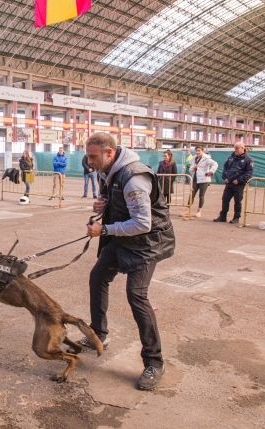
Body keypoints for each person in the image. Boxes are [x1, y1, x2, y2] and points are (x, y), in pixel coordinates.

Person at [81, 132, 175, 391]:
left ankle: (154, 362)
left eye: (93, 156)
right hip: (123, 240)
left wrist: (105, 230)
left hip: (145, 244)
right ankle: (98, 334)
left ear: (110, 152)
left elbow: (142, 223)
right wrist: (103, 205)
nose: (89, 162)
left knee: (136, 295)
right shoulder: (108, 171)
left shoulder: (134, 178)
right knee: (97, 277)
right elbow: (119, 205)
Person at [213, 142, 254, 224]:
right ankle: (222, 217)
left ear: (243, 148)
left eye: (237, 148)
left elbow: (249, 173)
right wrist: (225, 178)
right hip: (229, 183)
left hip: (239, 184)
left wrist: (239, 180)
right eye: (235, 148)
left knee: (237, 201)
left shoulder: (248, 159)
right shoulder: (231, 157)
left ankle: (236, 218)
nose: (235, 150)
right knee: (225, 199)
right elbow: (225, 168)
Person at [186, 146, 218, 218]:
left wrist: (211, 171)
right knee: (192, 194)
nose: (197, 152)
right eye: (196, 151)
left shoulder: (206, 158)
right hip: (195, 179)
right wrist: (193, 168)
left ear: (202, 151)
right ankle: (188, 210)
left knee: (201, 196)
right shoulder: (194, 159)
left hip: (204, 180)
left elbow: (215, 164)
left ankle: (199, 211)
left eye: (199, 151)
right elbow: (190, 170)